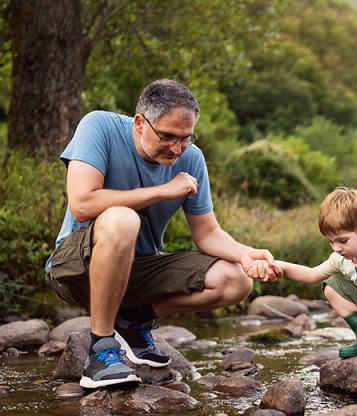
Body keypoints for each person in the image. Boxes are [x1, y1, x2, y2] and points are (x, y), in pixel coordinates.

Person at [46, 79, 280, 389]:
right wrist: (163, 191)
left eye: (186, 138)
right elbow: (82, 203)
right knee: (123, 220)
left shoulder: (192, 159)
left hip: (136, 273)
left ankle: (133, 319)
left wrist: (246, 254)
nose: (178, 148)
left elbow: (208, 234)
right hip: (76, 269)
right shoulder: (99, 126)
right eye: (167, 136)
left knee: (235, 279)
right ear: (140, 122)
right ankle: (100, 349)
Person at [248, 187, 357, 358]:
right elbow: (312, 274)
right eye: (331, 241)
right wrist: (278, 265)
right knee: (331, 284)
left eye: (343, 240)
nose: (337, 248)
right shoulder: (341, 257)